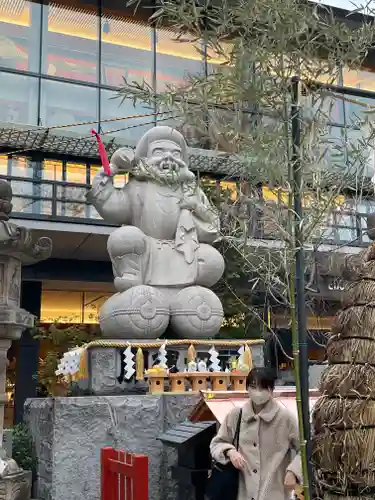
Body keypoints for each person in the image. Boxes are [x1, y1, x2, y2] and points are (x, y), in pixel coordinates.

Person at [210, 367, 302, 500]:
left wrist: (293, 471)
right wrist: (230, 452)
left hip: (274, 493)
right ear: (247, 388)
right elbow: (217, 443)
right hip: (241, 492)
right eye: (253, 386)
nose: (257, 392)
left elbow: (306, 450)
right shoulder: (236, 415)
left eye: (263, 388)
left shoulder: (286, 418)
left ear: (271, 390)